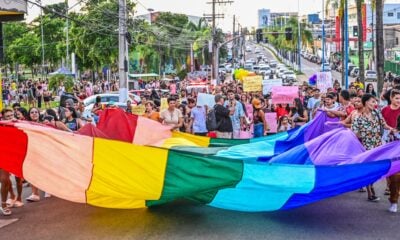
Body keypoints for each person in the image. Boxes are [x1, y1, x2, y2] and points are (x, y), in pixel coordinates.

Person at [351, 94, 397, 202]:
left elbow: (384, 125)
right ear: (366, 102)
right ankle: (370, 192)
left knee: (378, 168)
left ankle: (373, 188)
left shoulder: (377, 113)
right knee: (368, 169)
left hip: (378, 145)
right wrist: (365, 134)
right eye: (372, 102)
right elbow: (354, 134)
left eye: (375, 102)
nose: (375, 104)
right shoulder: (358, 118)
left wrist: (393, 130)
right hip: (366, 147)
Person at [381, 89, 400, 212]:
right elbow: (381, 125)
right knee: (394, 176)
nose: (399, 101)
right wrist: (391, 130)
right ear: (391, 98)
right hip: (391, 147)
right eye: (397, 98)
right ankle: (394, 201)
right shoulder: (385, 110)